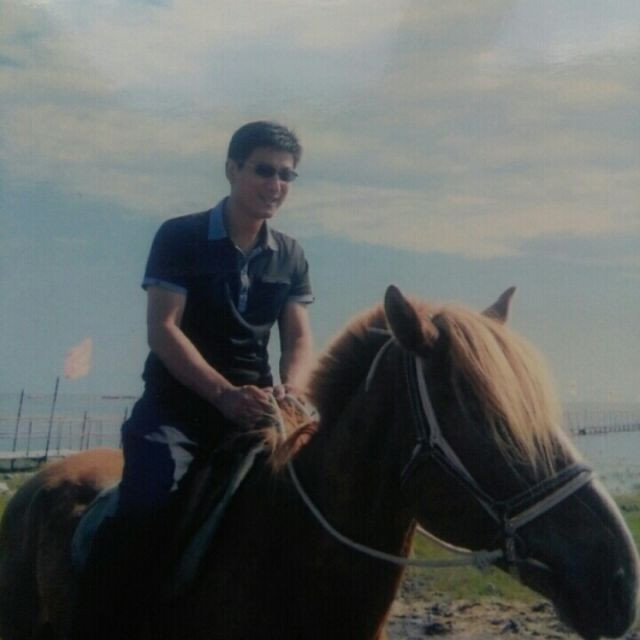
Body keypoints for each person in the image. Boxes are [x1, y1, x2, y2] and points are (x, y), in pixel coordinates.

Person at [71, 120, 314, 639]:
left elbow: (297, 339)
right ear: (232, 169)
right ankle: (102, 622)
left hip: (256, 413)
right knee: (148, 500)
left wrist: (292, 388)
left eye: (286, 175)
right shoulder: (180, 237)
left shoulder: (291, 255)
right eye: (264, 171)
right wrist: (222, 395)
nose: (275, 185)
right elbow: (164, 329)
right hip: (175, 411)